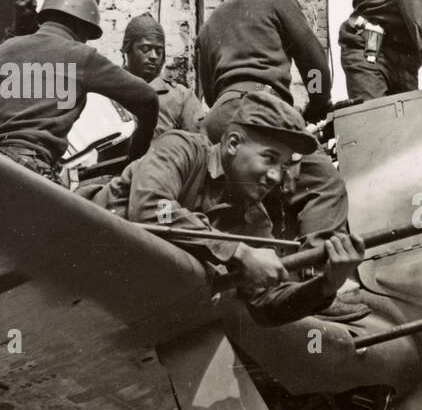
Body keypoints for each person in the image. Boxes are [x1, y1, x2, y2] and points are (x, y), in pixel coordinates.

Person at [90, 92, 364, 325]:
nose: (276, 176)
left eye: (282, 165)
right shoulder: (181, 149)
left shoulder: (254, 219)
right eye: (269, 158)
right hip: (78, 261)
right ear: (232, 143)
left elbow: (265, 306)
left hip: (120, 303)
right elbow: (153, 209)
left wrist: (328, 283)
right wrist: (238, 253)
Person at [197, 0, 347, 245]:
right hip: (263, 113)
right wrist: (318, 102)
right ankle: (310, 275)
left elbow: (210, 92)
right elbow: (314, 64)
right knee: (325, 186)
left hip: (220, 119)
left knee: (246, 207)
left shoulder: (209, 25)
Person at [0, 0, 157, 182]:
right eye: (87, 34)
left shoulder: (9, 46)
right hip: (34, 165)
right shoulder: (82, 56)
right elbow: (148, 98)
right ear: (79, 25)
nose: (85, 40)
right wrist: (136, 152)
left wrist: (16, 31)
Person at [120, 11, 205, 137]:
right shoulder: (107, 91)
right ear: (128, 50)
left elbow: (199, 143)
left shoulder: (181, 97)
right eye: (145, 49)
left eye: (159, 51)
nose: (154, 56)